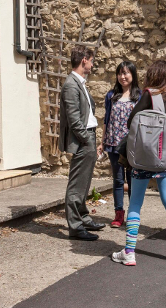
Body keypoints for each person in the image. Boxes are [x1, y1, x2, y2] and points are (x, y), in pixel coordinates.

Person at [111, 60, 166, 266]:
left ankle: (129, 251)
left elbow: (131, 122)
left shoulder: (150, 95)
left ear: (155, 75)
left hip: (143, 155)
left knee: (136, 202)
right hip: (164, 155)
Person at [59, 45, 106, 241]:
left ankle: (84, 218)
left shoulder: (80, 82)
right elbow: (74, 119)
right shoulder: (71, 84)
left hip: (88, 136)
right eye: (92, 60)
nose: (93, 64)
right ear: (84, 60)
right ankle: (76, 227)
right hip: (82, 139)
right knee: (76, 185)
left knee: (84, 183)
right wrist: (87, 140)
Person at [101, 61, 140, 228]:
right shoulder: (111, 96)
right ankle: (118, 214)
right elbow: (106, 119)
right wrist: (102, 141)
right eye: (120, 73)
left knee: (132, 179)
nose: (123, 76)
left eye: (126, 73)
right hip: (113, 142)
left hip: (131, 144)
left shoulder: (139, 96)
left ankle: (133, 214)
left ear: (132, 75)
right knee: (117, 180)